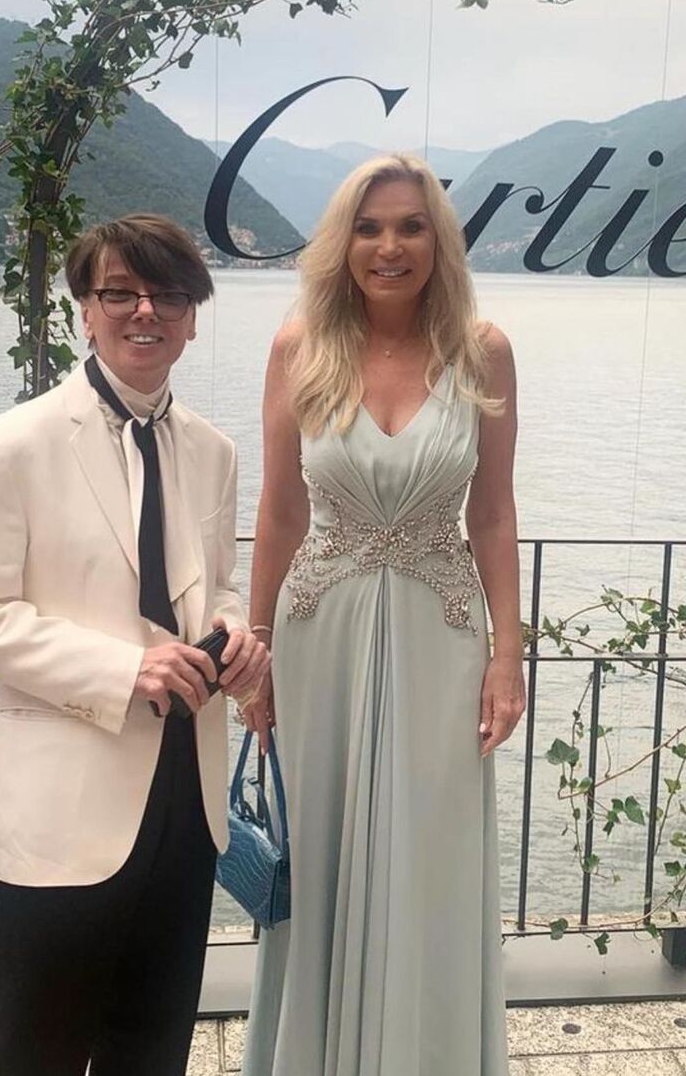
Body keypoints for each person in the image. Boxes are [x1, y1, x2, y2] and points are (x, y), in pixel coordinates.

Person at [0, 213, 270, 1076]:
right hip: (66, 807)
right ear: (85, 309)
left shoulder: (215, 451)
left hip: (188, 800)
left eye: (169, 295)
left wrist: (236, 635)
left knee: (152, 1048)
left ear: (192, 317)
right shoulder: (10, 446)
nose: (145, 311)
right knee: (34, 1053)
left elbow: (216, 584)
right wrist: (123, 669)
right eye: (121, 292)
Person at [240, 154, 525, 1076]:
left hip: (443, 640)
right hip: (319, 634)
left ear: (439, 243)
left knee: (432, 855)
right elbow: (280, 511)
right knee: (318, 853)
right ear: (343, 242)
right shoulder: (300, 347)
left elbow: (493, 513)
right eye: (368, 228)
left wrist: (507, 656)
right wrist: (256, 656)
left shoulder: (483, 350)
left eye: (409, 227)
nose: (388, 246)